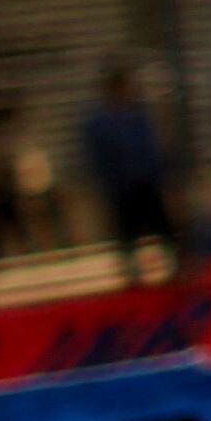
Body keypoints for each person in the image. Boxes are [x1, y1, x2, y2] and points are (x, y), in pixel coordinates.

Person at [81, 57, 179, 266]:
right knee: (127, 234)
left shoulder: (139, 115)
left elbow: (150, 147)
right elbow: (99, 159)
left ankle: (174, 263)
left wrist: (161, 176)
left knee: (163, 228)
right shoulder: (100, 123)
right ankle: (132, 268)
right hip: (122, 189)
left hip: (146, 183)